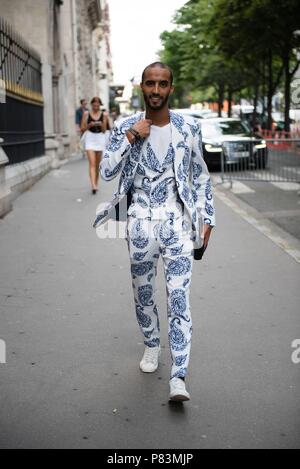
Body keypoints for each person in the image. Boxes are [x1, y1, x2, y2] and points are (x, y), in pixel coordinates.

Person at [93, 62, 216, 402]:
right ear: (142, 88)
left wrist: (208, 217)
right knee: (143, 293)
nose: (156, 90)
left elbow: (200, 175)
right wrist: (132, 135)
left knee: (179, 297)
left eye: (163, 84)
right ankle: (151, 344)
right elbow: (105, 171)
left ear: (171, 87)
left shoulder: (188, 127)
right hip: (140, 222)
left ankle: (179, 376)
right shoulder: (123, 126)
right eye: (150, 84)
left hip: (177, 222)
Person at [81, 97, 109, 194]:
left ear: (100, 105)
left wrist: (101, 125)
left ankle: (96, 183)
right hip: (90, 138)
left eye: (97, 106)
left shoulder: (104, 115)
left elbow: (104, 130)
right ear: (91, 105)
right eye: (94, 106)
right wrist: (90, 125)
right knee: (92, 163)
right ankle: (93, 185)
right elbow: (82, 128)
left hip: (100, 138)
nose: (96, 107)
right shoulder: (86, 114)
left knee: (97, 165)